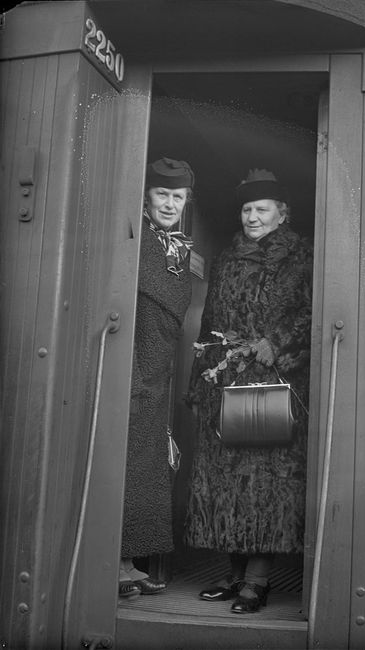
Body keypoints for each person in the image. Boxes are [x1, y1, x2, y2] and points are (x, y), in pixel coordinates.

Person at [184, 168, 312, 613]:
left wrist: (273, 346)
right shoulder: (224, 258)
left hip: (271, 383)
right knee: (225, 483)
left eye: (261, 209)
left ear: (282, 213)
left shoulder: (302, 255)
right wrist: (198, 383)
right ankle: (232, 575)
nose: (252, 217)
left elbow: (310, 314)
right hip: (225, 381)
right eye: (246, 209)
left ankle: (257, 581)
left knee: (266, 484)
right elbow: (209, 322)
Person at [119, 157, 195, 599]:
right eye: (162, 194)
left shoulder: (175, 247)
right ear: (147, 197)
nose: (170, 203)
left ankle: (129, 561)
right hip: (131, 369)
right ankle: (115, 562)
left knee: (145, 467)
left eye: (178, 196)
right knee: (125, 466)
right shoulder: (136, 237)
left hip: (155, 371)